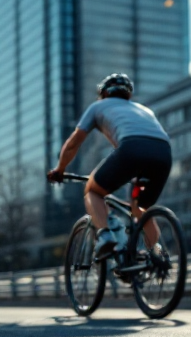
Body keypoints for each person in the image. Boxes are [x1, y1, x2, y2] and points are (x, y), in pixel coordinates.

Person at [47, 73, 172, 259]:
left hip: (132, 148)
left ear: (104, 93)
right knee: (140, 209)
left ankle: (105, 236)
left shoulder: (98, 106)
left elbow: (74, 143)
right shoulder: (144, 110)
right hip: (163, 153)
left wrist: (60, 169)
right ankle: (158, 256)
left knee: (93, 191)